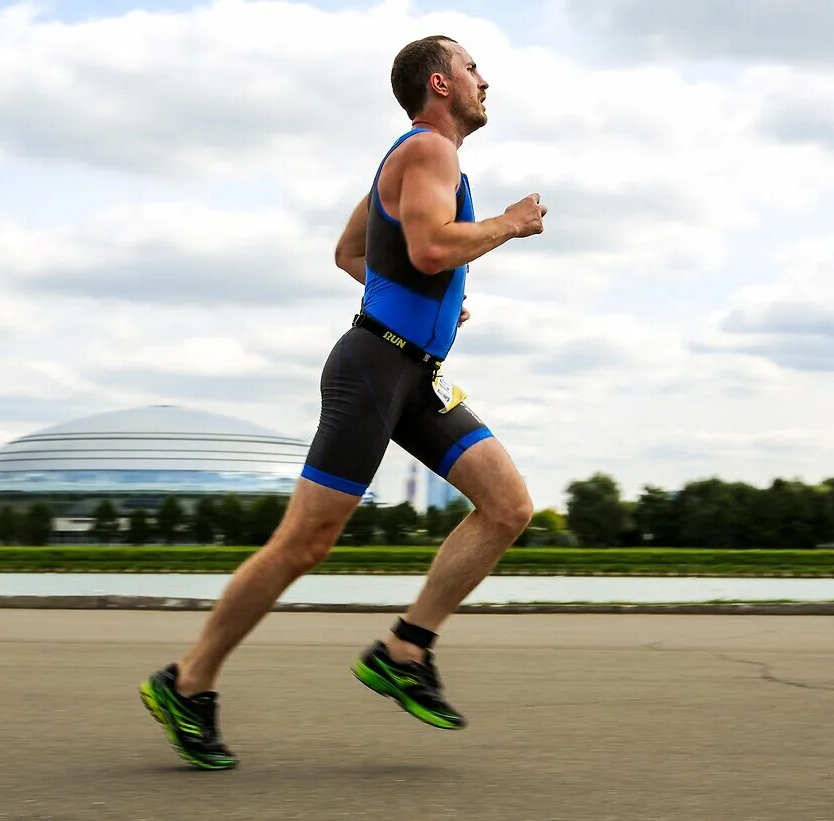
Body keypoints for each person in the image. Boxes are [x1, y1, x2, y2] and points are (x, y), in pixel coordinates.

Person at [139, 34, 547, 770]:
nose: (487, 79)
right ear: (440, 84)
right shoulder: (428, 151)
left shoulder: (409, 159)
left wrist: (427, 311)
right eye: (473, 68)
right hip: (370, 369)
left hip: (414, 375)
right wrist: (508, 226)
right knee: (305, 543)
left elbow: (355, 252)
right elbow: (426, 250)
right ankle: (186, 680)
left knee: (508, 505)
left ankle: (404, 648)